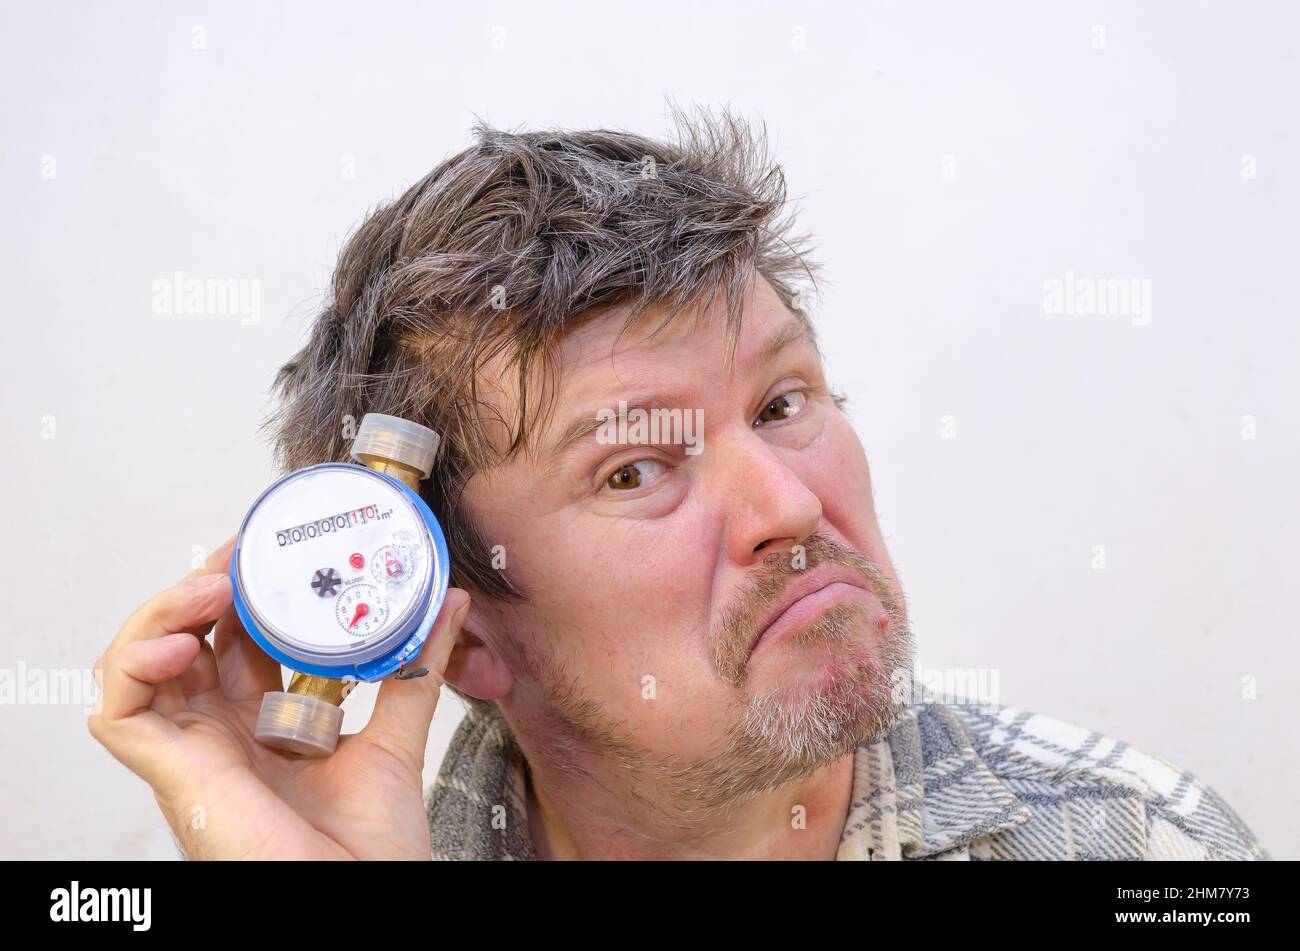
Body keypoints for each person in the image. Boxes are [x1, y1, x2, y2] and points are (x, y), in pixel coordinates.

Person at [89, 107, 1269, 860]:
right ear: (467, 632)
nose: (790, 508)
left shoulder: (1151, 854)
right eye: (637, 468)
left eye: (782, 404)